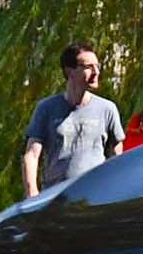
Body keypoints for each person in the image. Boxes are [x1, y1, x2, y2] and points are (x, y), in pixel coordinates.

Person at [22, 42, 126, 197]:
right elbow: (31, 155)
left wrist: (115, 192)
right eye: (89, 67)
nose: (96, 72)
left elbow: (117, 156)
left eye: (97, 66)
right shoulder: (46, 108)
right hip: (55, 199)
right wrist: (32, 194)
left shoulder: (107, 109)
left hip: (94, 198)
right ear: (70, 71)